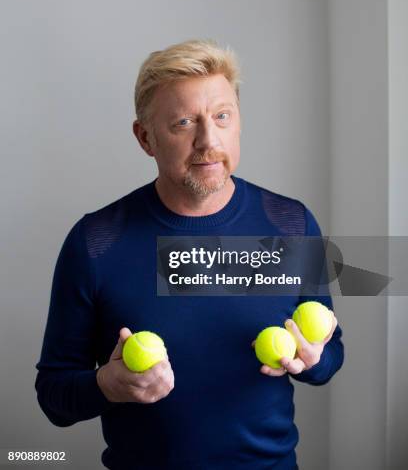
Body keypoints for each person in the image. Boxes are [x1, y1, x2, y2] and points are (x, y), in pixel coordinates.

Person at [35, 39, 344, 470]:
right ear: (145, 137)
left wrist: (313, 360)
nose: (208, 139)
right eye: (183, 122)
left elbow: (331, 356)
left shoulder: (290, 224)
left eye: (222, 116)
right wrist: (108, 384)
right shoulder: (96, 242)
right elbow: (53, 395)